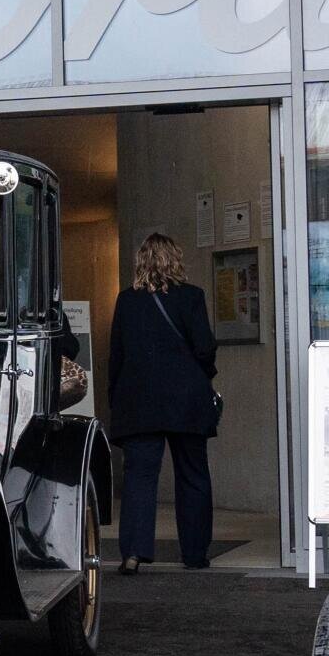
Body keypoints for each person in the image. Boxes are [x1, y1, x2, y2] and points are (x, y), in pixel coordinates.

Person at [107, 233, 218, 573]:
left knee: (140, 478)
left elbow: (117, 356)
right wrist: (204, 376)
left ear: (141, 261)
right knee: (193, 475)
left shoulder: (127, 301)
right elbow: (205, 348)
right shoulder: (192, 297)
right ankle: (195, 554)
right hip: (187, 401)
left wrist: (117, 400)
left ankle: (134, 553)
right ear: (175, 260)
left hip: (139, 403)